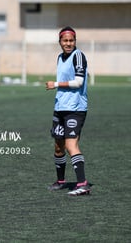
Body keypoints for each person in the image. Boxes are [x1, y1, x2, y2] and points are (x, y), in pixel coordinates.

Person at [46, 26, 91, 196]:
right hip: (60, 107)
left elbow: (78, 82)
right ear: (60, 42)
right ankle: (61, 181)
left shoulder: (78, 56)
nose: (68, 43)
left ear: (75, 41)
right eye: (65, 40)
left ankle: (83, 184)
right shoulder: (60, 57)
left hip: (76, 108)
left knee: (71, 145)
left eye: (71, 40)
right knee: (58, 147)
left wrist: (55, 84)